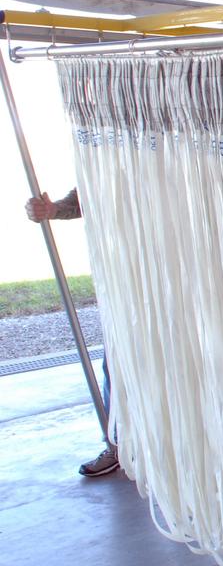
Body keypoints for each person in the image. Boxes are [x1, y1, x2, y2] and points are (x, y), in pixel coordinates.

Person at [26, 188, 119, 478]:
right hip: (126, 278)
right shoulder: (106, 152)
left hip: (184, 274)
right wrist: (52, 210)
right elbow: (85, 196)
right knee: (117, 363)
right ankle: (118, 443)